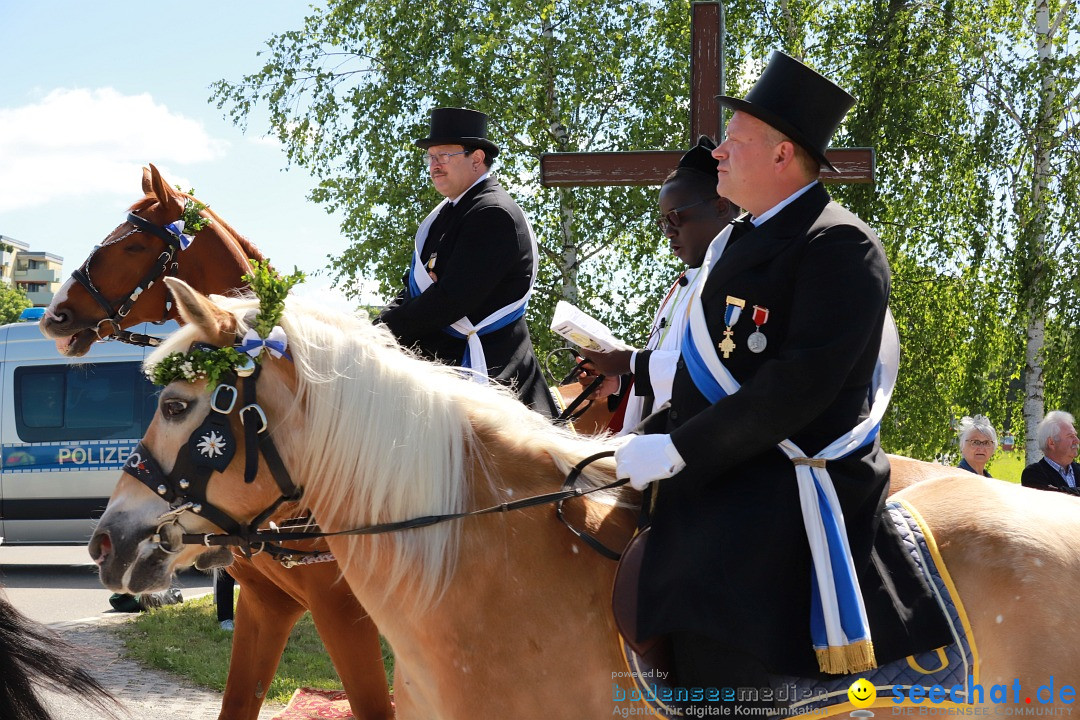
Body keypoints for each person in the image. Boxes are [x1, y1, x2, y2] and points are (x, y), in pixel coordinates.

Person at [613, 51, 949, 703]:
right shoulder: (735, 244)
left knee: (710, 584)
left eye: (736, 141)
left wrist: (678, 450)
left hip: (794, 476)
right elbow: (702, 380)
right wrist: (640, 443)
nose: (720, 155)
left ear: (782, 155)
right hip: (730, 465)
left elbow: (796, 389)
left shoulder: (840, 247)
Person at [376, 107, 557, 417]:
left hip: (490, 376)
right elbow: (413, 290)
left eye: (443, 156)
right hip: (441, 368)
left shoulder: (492, 213)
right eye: (430, 157)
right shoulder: (447, 214)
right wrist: (376, 327)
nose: (433, 166)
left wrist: (379, 335)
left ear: (476, 159)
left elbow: (449, 300)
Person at [578, 136, 737, 433]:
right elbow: (665, 362)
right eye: (663, 221)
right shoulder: (682, 284)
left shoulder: (736, 280)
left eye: (676, 217)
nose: (669, 232)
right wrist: (618, 379)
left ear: (721, 207)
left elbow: (715, 371)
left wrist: (630, 361)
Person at [1021, 410, 1080, 495]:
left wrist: (1060, 490)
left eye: (1075, 435)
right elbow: (1051, 500)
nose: (1077, 441)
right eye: (1070, 436)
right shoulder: (1033, 473)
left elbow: (1057, 494)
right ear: (1051, 443)